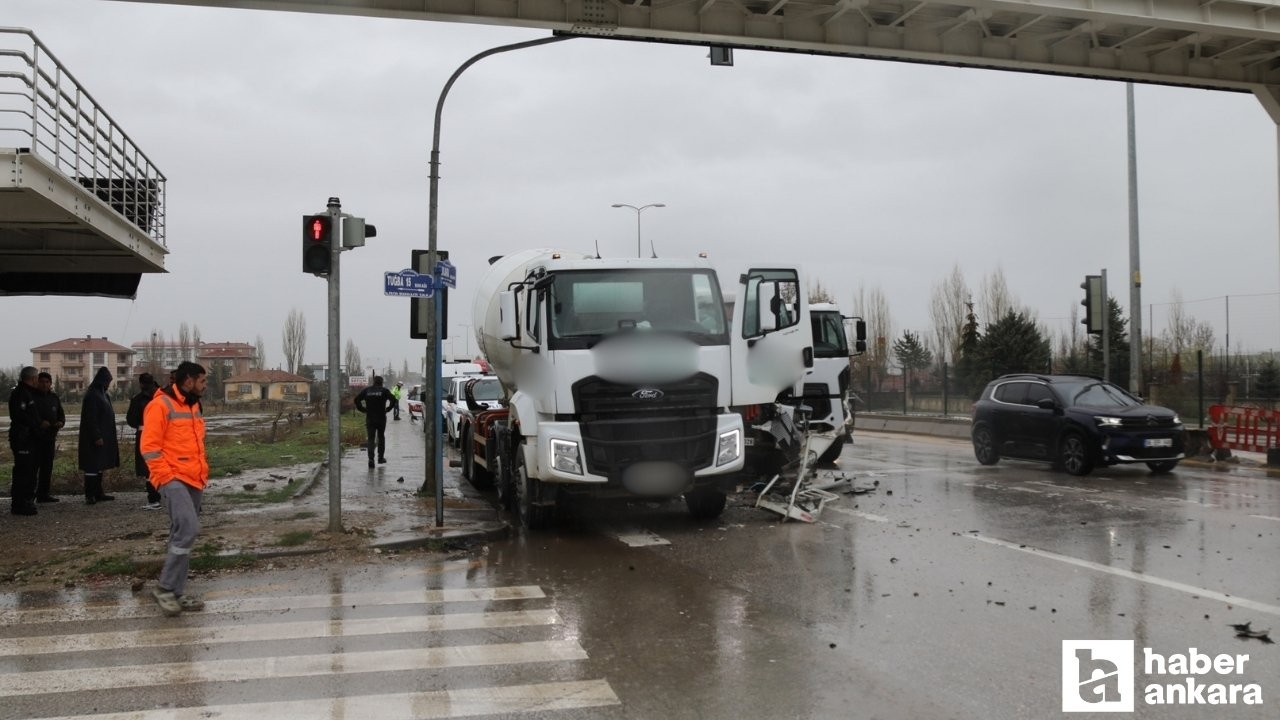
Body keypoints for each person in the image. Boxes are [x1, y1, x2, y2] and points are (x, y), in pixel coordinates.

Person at [141, 361, 209, 616]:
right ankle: (166, 588)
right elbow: (149, 448)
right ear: (188, 380)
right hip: (172, 479)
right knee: (189, 529)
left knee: (181, 533)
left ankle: (176, 593)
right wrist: (165, 478)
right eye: (202, 381)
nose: (205, 386)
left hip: (194, 478)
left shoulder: (193, 405)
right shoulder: (159, 405)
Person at [77, 366, 120, 505]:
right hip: (93, 439)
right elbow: (91, 418)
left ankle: (98, 492)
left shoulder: (103, 395)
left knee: (99, 465)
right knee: (92, 466)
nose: (109, 384)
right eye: (107, 381)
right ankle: (90, 495)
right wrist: (96, 436)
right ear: (102, 381)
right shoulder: (92, 395)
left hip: (104, 436)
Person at [7, 366, 43, 516]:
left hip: (29, 438)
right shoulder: (20, 393)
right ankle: (19, 504)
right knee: (23, 471)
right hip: (22, 438)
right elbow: (19, 415)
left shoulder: (27, 393)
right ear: (33, 378)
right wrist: (35, 425)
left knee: (29, 471)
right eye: (37, 378)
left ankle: (26, 501)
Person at [126, 373, 161, 510]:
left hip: (145, 435)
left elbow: (131, 419)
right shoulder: (162, 397)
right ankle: (163, 495)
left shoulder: (138, 399)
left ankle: (153, 498)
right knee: (160, 465)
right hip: (162, 435)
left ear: (141, 384)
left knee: (148, 467)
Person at [33, 372, 66, 503]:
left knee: (47, 467)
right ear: (37, 382)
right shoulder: (32, 397)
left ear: (50, 383)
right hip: (35, 439)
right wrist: (40, 423)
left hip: (50, 438)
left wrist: (61, 422)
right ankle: (29, 495)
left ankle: (43, 494)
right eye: (42, 382)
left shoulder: (54, 397)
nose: (45, 384)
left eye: (47, 382)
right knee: (33, 468)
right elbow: (28, 416)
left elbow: (61, 414)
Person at [354, 376, 394, 468]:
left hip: (370, 418)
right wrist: (388, 409)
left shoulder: (367, 390)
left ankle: (371, 459)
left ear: (374, 382)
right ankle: (380, 458)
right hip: (381, 418)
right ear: (381, 382)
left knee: (371, 439)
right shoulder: (384, 391)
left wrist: (363, 409)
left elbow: (356, 400)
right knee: (381, 437)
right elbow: (393, 400)